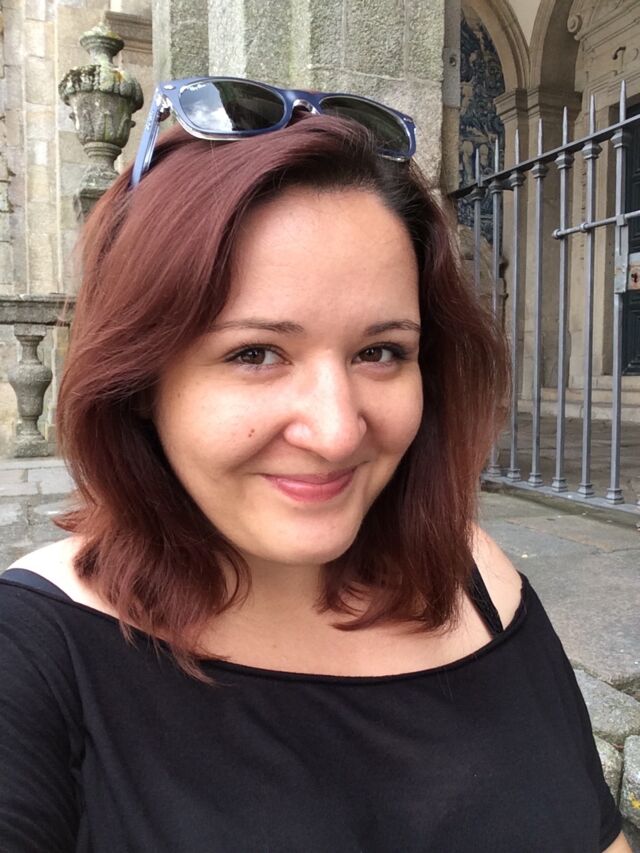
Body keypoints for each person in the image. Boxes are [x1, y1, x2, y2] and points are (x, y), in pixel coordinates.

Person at [0, 77, 629, 852]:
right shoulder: (32, 657)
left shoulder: (475, 580)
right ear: (139, 383)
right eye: (255, 353)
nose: (335, 432)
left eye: (380, 351)